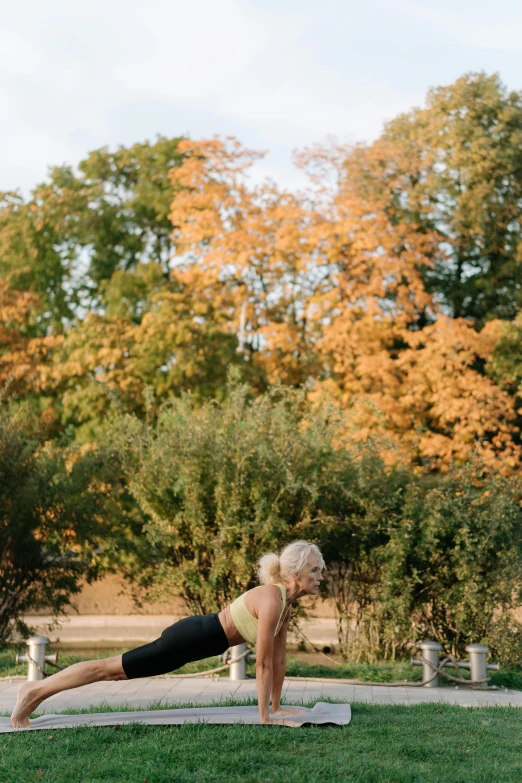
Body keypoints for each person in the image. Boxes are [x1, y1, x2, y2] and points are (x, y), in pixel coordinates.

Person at [11, 539, 325, 728]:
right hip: (188, 639)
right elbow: (263, 664)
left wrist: (278, 706)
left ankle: (36, 688)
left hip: (195, 641)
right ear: (295, 574)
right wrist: (264, 717)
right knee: (110, 669)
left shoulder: (284, 604)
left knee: (113, 670)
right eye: (315, 570)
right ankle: (35, 691)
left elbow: (280, 660)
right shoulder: (272, 598)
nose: (320, 577)